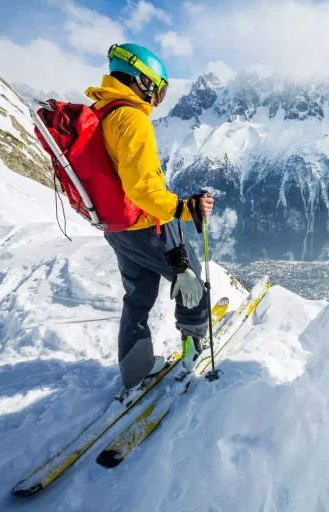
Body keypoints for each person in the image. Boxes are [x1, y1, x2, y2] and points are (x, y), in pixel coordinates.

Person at [84, 43, 214, 391]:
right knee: (191, 281)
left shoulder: (102, 110)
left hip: (118, 228)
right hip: (148, 226)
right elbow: (143, 189)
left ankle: (135, 368)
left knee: (138, 297)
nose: (158, 99)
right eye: (159, 89)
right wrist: (185, 208)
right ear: (143, 80)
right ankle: (193, 346)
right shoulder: (132, 118)